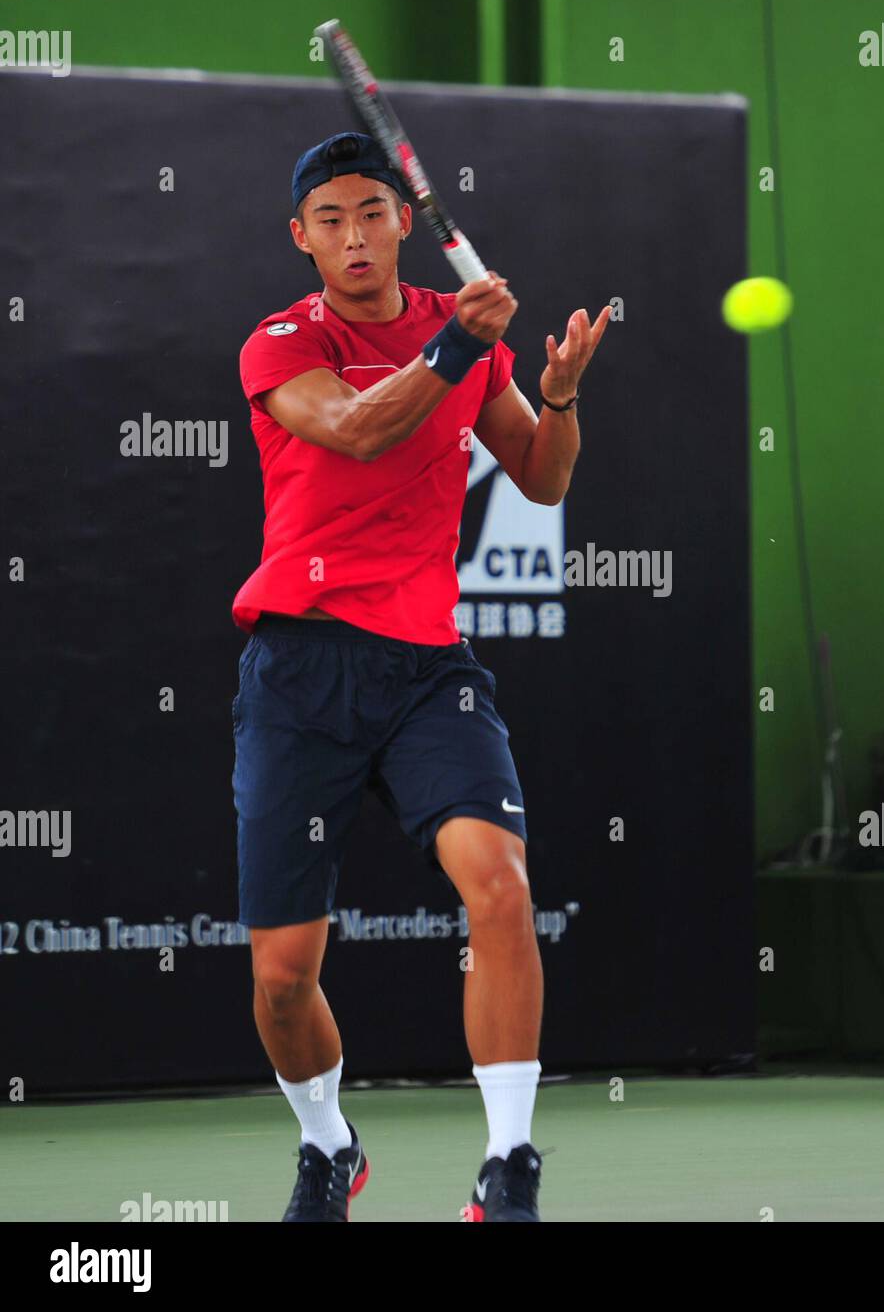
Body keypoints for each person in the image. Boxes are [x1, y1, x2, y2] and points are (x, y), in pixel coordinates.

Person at [230, 132, 610, 1222]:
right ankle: (327, 1145)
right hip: (299, 669)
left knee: (500, 886)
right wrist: (455, 351)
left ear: (405, 221)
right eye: (332, 219)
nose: (355, 235)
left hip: (426, 673)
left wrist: (562, 395)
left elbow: (538, 480)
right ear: (301, 238)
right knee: (282, 978)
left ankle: (509, 1167)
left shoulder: (466, 336)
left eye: (373, 213)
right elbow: (353, 429)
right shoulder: (278, 344)